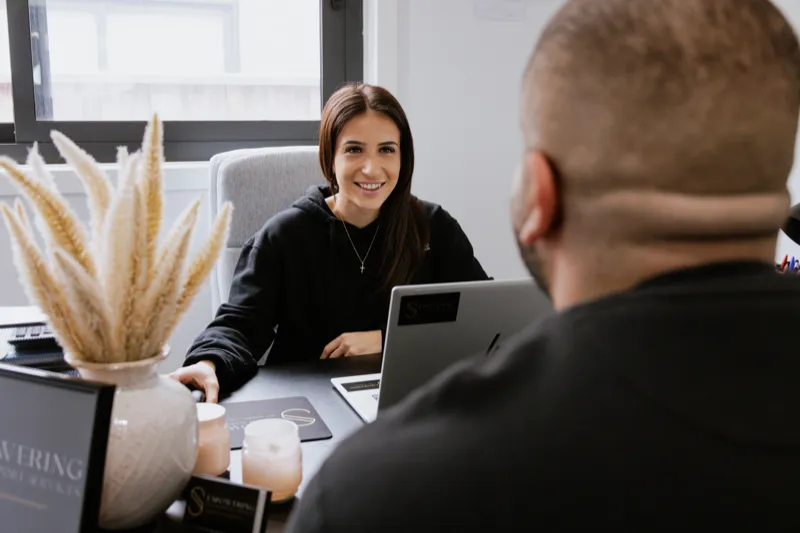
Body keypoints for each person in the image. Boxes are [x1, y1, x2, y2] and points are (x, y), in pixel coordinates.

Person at [286, 0, 800, 530]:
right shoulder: (291, 234)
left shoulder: (374, 494)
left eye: (387, 150)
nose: (372, 167)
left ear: (538, 196)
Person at [171, 83, 489, 402]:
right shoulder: (284, 235)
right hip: (310, 404)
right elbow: (239, 324)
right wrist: (207, 362)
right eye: (354, 149)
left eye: (387, 149)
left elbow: (480, 320)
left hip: (411, 402)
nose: (371, 168)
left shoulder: (434, 228)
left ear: (403, 157)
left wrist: (384, 340)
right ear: (330, 156)